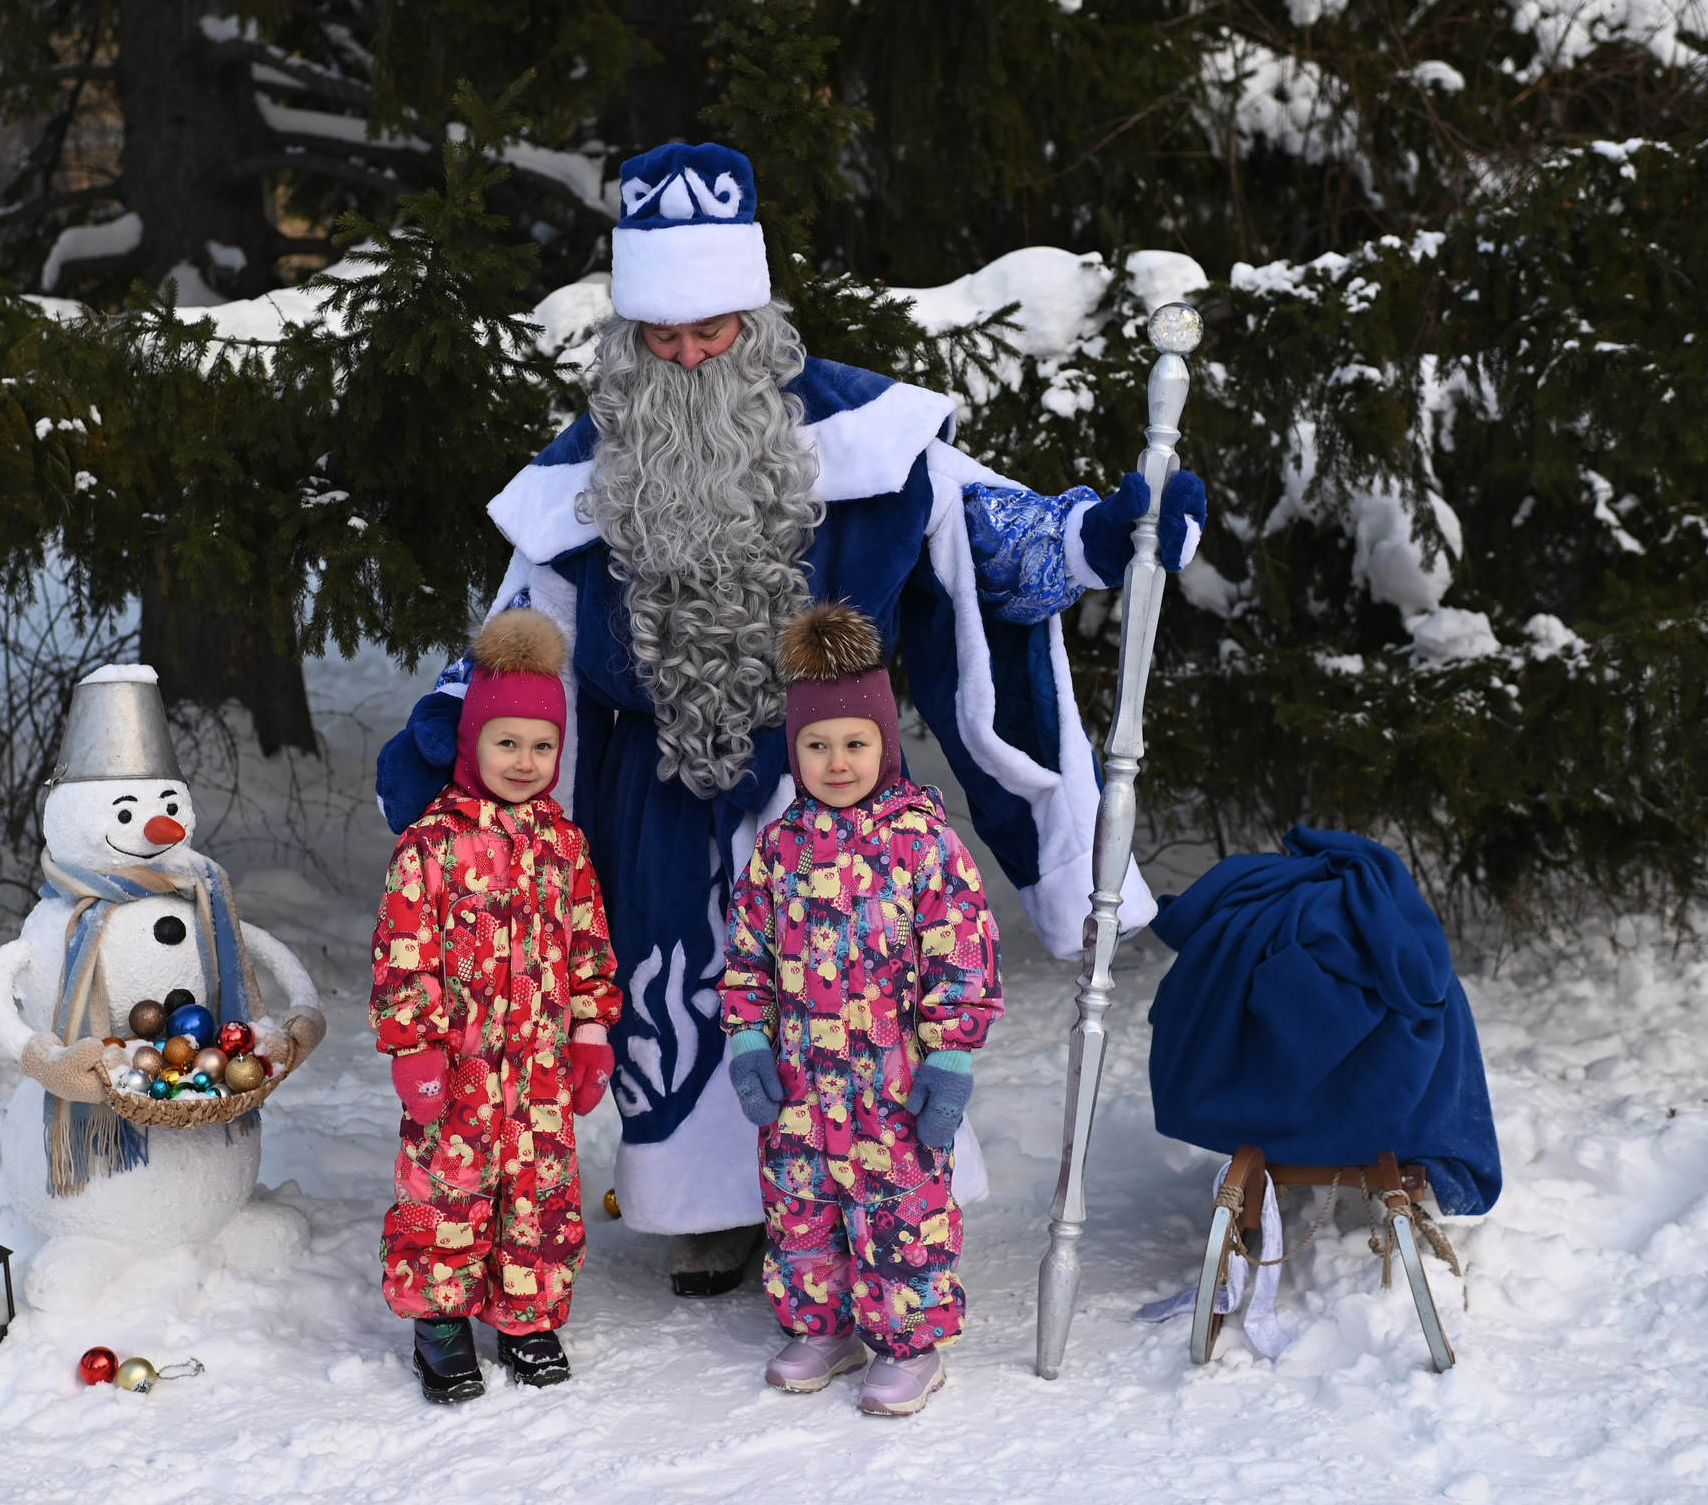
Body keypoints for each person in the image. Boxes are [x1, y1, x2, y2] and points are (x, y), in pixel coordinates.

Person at [378, 140, 1205, 1295]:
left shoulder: (868, 434)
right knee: (679, 997)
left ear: (755, 314)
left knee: (847, 1001)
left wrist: (1098, 537)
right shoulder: (590, 466)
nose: (686, 355)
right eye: (660, 336)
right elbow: (528, 627)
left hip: (834, 786)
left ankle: (870, 1195)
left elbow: (991, 542)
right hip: (660, 802)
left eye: (710, 329)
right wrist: (454, 726)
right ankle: (712, 1207)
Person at [721, 603, 1003, 1415]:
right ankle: (824, 1329)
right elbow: (747, 957)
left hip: (893, 1088)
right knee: (801, 1212)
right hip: (801, 1089)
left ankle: (911, 1345)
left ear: (886, 743)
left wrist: (951, 1057)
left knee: (901, 1216)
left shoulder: (923, 842)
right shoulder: (779, 849)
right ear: (794, 751)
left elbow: (963, 956)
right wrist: (747, 1040)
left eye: (855, 742)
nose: (837, 761)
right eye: (817, 745)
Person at [371, 609, 623, 1403]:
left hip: (540, 1068)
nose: (524, 760)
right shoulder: (430, 843)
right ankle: (440, 1319)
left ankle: (527, 1314)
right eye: (507, 742)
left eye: (542, 746)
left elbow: (589, 946)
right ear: (471, 741)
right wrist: (414, 1046)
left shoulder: (564, 844)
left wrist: (590, 1032)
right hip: (458, 1069)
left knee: (540, 1197)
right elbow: (403, 953)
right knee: (445, 1192)